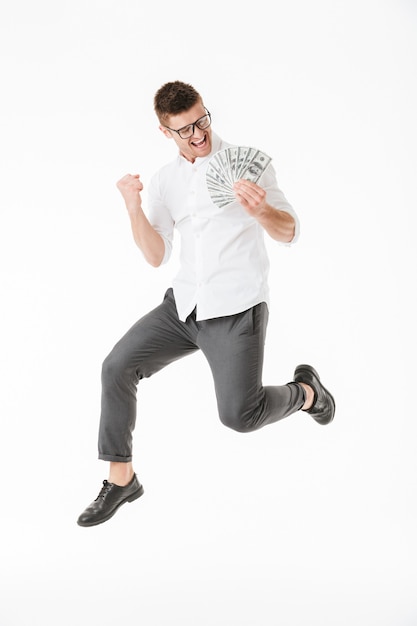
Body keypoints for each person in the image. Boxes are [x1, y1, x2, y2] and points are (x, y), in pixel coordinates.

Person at [77, 81, 335, 527]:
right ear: (165, 132)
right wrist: (133, 207)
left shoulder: (249, 162)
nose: (198, 135)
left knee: (240, 415)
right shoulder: (166, 181)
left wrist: (262, 213)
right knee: (115, 366)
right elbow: (156, 256)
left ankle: (308, 393)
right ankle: (122, 479)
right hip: (183, 307)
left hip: (237, 311)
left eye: (202, 120)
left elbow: (290, 232)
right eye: (185, 130)